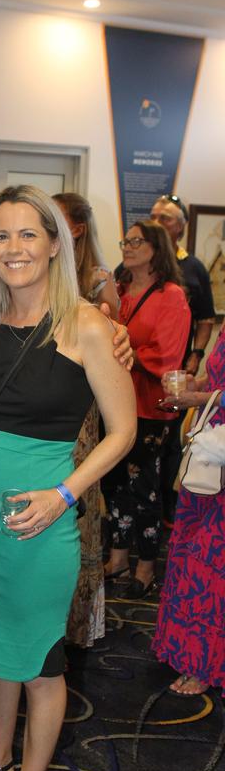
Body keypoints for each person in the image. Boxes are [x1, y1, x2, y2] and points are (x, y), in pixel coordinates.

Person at [0, 185, 135, 771]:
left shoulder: (87, 325)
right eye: (1, 236)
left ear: (55, 243)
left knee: (37, 660)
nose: (13, 249)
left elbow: (122, 433)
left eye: (28, 235)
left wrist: (63, 495)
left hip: (43, 520)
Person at [103, 221, 191, 598]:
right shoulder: (119, 291)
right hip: (116, 401)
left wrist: (125, 352)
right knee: (115, 483)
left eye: (136, 241)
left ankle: (146, 566)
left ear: (156, 248)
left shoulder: (171, 295)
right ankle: (119, 556)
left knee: (145, 489)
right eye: (125, 240)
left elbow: (169, 355)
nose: (128, 246)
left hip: (152, 407)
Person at [53, 192, 118, 649]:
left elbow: (110, 339)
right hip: (39, 409)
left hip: (81, 410)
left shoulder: (96, 278)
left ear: (73, 228)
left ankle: (71, 627)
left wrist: (118, 335)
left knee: (76, 503)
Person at [152, 327, 225, 696]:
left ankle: (207, 663)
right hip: (210, 457)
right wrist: (193, 384)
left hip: (219, 454)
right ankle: (195, 656)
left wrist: (196, 396)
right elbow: (217, 379)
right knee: (191, 556)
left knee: (211, 564)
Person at [149, 194, 215, 522]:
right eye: (154, 216)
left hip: (177, 371)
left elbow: (206, 320)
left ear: (181, 227)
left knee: (171, 443)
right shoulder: (135, 264)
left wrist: (195, 357)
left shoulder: (194, 268)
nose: (158, 222)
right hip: (140, 371)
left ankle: (167, 509)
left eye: (166, 218)